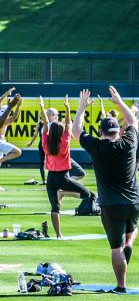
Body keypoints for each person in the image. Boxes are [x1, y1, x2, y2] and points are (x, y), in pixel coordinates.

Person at [74, 87, 139, 291]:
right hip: (134, 202)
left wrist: (81, 108)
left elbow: (76, 131)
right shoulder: (129, 142)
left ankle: (121, 285)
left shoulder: (97, 146)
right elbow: (132, 122)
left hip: (111, 205)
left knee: (115, 247)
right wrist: (120, 102)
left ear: (101, 132)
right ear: (118, 132)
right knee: (132, 231)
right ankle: (129, 243)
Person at [39, 94, 94, 237]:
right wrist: (68, 108)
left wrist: (42, 108)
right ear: (61, 133)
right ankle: (63, 193)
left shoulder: (46, 143)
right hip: (63, 177)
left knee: (55, 208)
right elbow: (69, 123)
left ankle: (58, 234)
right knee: (87, 194)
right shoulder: (64, 142)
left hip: (51, 178)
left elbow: (45, 124)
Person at [0, 89, 22, 169]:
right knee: (18, 152)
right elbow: (14, 117)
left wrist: (6, 94)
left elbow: (0, 101)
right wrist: (18, 106)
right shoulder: (4, 121)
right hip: (0, 142)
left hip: (1, 143)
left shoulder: (2, 117)